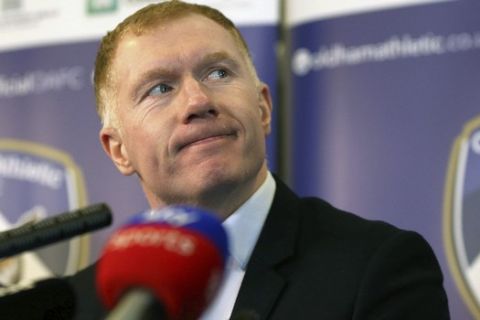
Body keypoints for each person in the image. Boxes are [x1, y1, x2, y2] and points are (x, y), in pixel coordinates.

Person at [15, 1, 452, 319]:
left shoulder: (376, 266)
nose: (198, 100)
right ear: (118, 150)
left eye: (218, 72)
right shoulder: (81, 304)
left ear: (262, 107)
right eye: (160, 88)